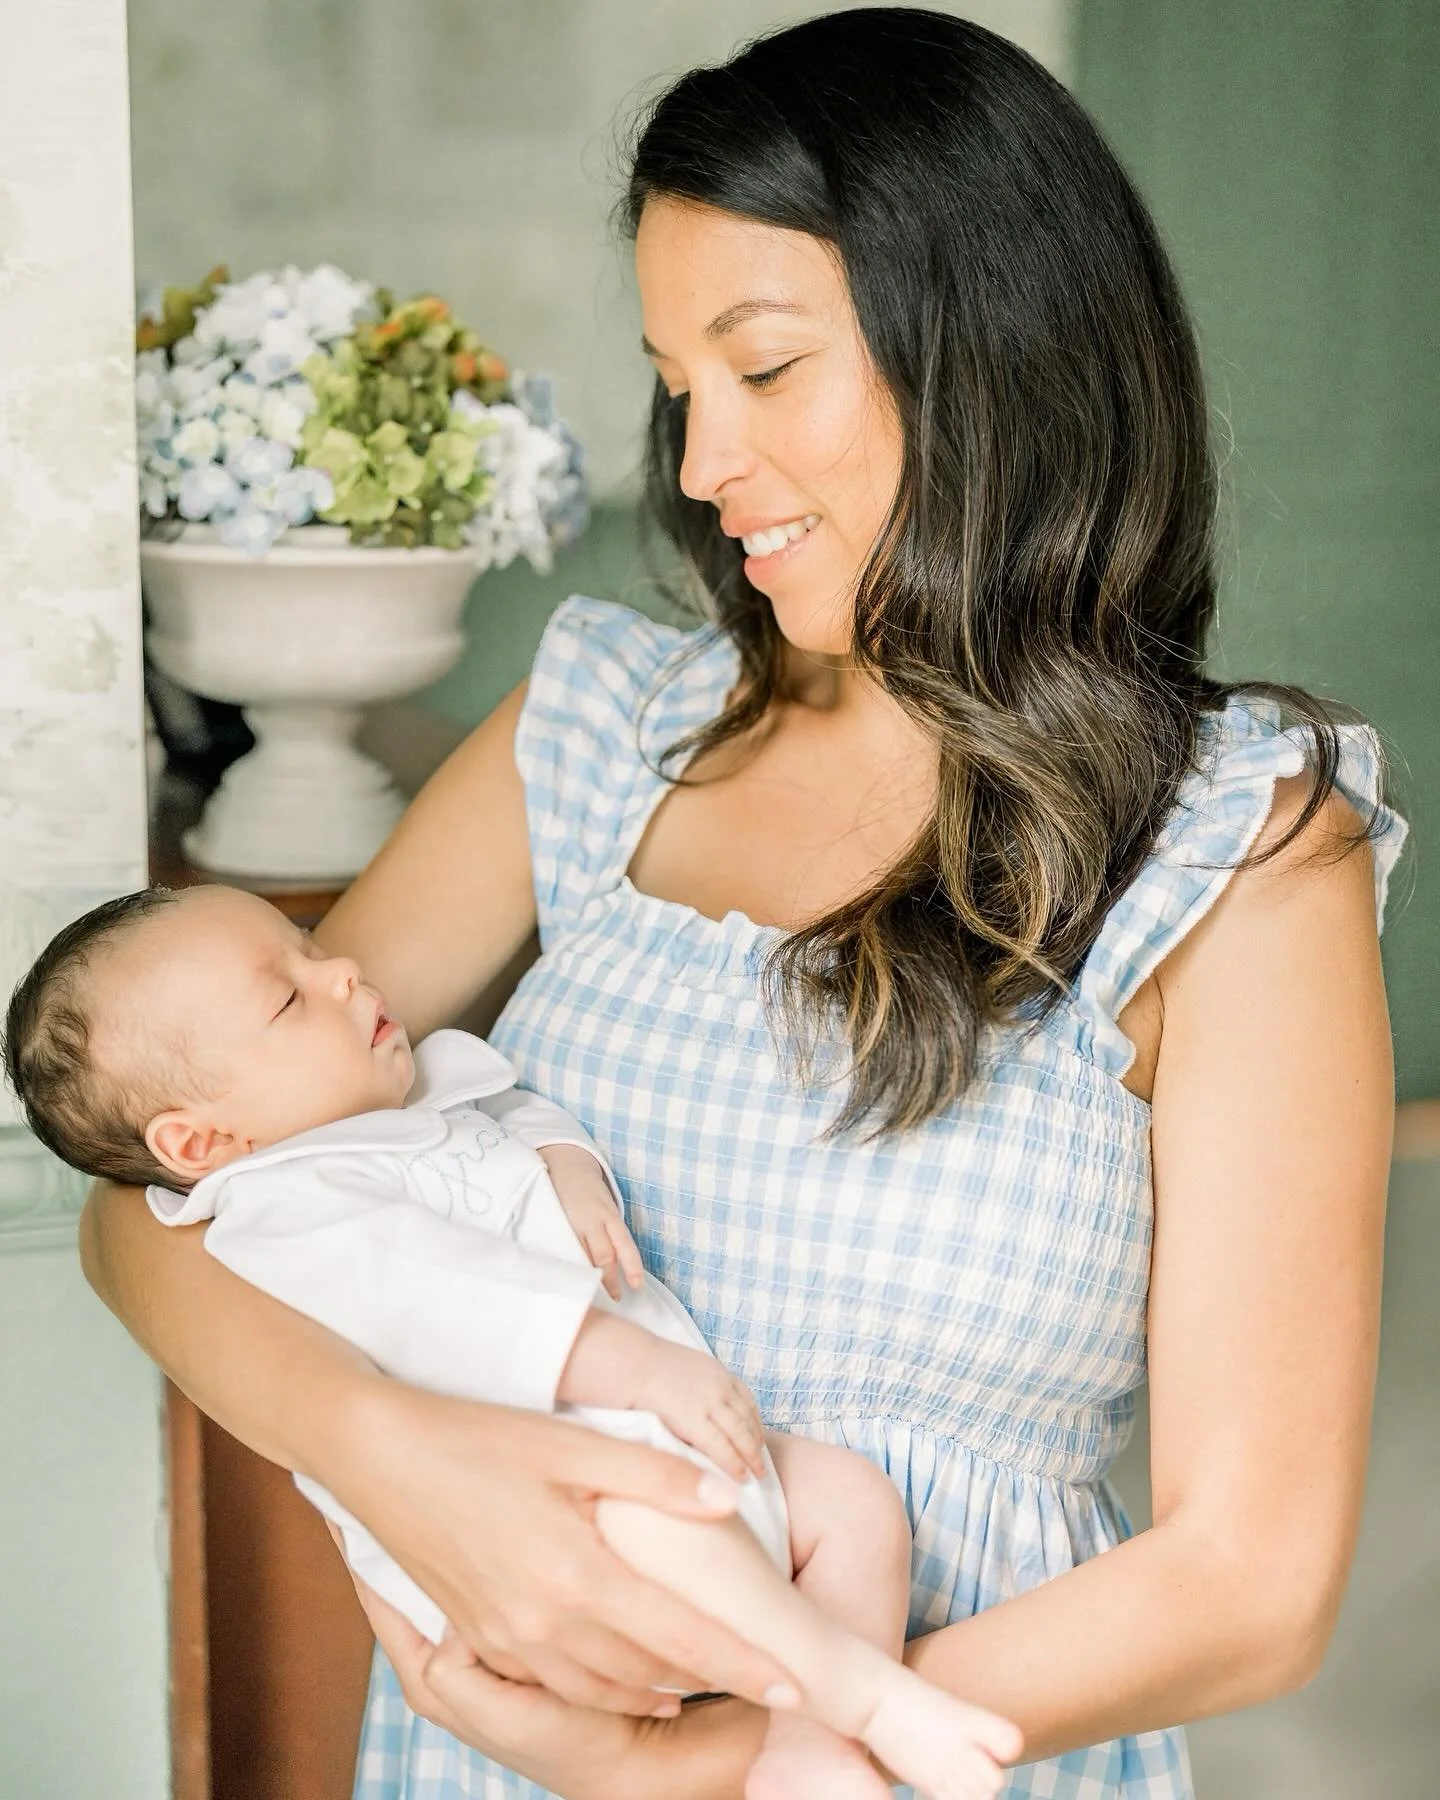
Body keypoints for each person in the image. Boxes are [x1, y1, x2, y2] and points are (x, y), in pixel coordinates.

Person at [82, 9, 1407, 1799]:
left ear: (995, 352)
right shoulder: (605, 728)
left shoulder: (1240, 849)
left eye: (767, 369)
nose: (703, 466)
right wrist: (397, 1458)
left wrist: (712, 1763)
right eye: (677, 383)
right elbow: (164, 1197)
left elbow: (1249, 1586)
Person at [6, 882, 1021, 1800]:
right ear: (202, 1143)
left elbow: (518, 1116)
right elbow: (452, 1301)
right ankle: (869, 1703)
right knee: (667, 1522)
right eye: (287, 998)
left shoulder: (411, 1101)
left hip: (661, 1456)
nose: (341, 971)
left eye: (310, 946)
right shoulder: (285, 1206)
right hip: (559, 1539)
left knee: (851, 1502)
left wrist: (569, 1166)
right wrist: (635, 1366)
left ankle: (809, 1748)